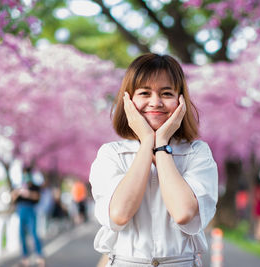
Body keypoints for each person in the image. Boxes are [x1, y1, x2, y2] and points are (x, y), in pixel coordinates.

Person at [89, 53, 218, 267]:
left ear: (181, 100)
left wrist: (160, 145)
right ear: (128, 100)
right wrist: (147, 140)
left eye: (166, 93)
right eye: (144, 93)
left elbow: (183, 213)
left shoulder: (197, 153)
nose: (155, 102)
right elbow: (120, 214)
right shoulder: (111, 154)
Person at [11, 166, 45, 267]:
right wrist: (18, 192)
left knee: (34, 233)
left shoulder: (34, 186)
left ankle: (39, 256)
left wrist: (28, 194)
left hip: (31, 210)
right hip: (21, 210)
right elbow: (13, 198)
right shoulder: (18, 185)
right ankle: (25, 258)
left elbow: (37, 196)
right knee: (22, 235)